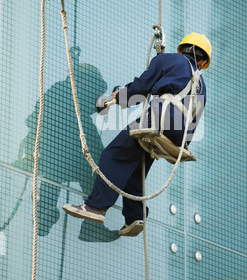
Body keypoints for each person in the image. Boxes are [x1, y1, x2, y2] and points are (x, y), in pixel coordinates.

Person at [63, 33, 211, 236]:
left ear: (180, 49)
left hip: (158, 122)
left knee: (113, 155)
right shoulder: (202, 86)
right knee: (135, 168)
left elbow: (141, 89)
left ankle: (96, 207)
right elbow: (194, 118)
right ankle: (135, 216)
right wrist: (181, 144)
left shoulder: (167, 60)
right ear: (202, 62)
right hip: (176, 138)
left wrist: (120, 96)